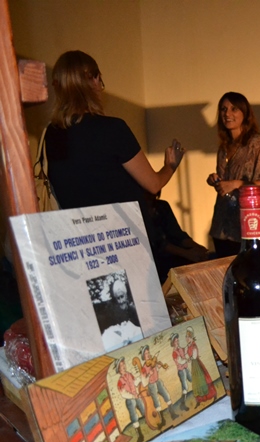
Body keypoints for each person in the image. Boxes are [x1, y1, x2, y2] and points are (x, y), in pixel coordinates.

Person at [45, 50, 185, 278]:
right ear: (93, 80)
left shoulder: (52, 135)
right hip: (124, 241)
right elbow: (153, 184)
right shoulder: (112, 129)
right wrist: (171, 165)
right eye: (99, 79)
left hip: (83, 245)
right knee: (139, 299)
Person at [206, 92, 260, 257]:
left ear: (245, 113)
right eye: (223, 109)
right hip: (222, 227)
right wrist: (216, 181)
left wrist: (236, 184)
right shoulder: (224, 147)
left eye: (234, 109)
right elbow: (225, 185)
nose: (227, 114)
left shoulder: (256, 143)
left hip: (247, 225)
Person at [139, 344, 178, 426]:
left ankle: (173, 414)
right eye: (146, 354)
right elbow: (144, 382)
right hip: (151, 384)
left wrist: (159, 367)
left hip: (158, 381)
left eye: (148, 352)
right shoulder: (144, 367)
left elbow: (156, 369)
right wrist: (149, 375)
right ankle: (162, 420)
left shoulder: (153, 361)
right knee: (156, 401)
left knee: (166, 395)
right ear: (143, 356)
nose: (148, 354)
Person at [115, 358, 146, 442]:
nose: (123, 366)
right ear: (119, 370)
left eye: (124, 364)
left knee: (144, 409)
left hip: (136, 396)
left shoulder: (130, 375)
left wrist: (140, 377)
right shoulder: (120, 381)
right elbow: (123, 394)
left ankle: (150, 424)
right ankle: (140, 434)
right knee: (134, 416)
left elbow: (135, 382)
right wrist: (132, 396)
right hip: (130, 400)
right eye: (121, 366)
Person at [185, 326, 216, 404]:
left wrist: (189, 358)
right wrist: (188, 358)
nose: (187, 338)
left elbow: (194, 356)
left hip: (197, 365)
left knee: (202, 379)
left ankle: (212, 395)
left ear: (191, 337)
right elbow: (190, 357)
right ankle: (199, 400)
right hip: (193, 365)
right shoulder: (189, 346)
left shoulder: (193, 345)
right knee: (196, 382)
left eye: (188, 336)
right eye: (186, 337)